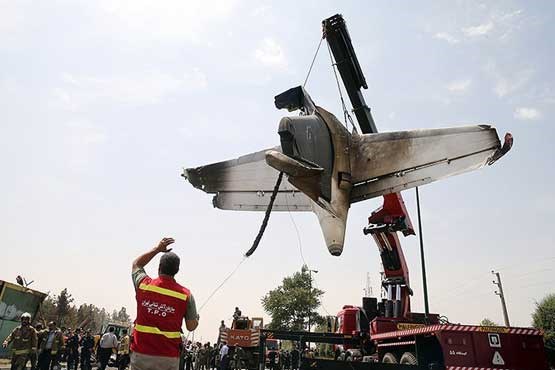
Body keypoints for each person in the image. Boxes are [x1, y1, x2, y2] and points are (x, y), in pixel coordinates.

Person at [131, 237, 199, 370]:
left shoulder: (144, 285)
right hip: (168, 358)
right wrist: (197, 319)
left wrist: (157, 249)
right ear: (177, 271)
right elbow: (191, 326)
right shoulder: (185, 295)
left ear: (159, 267)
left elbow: (136, 264)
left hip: (141, 354)